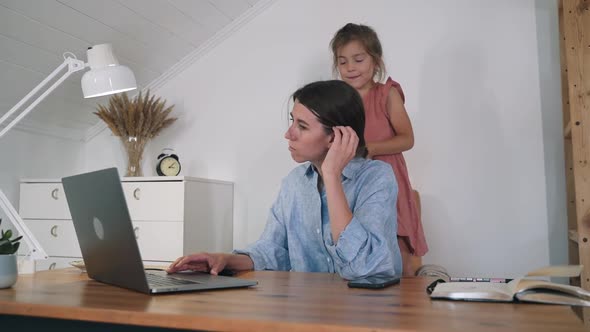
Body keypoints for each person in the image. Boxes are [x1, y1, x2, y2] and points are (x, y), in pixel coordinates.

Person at [167, 80, 402, 280]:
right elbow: (272, 251)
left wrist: (331, 176)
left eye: (302, 126)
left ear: (336, 136)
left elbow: (366, 268)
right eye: (292, 121)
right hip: (306, 313)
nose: (288, 134)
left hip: (366, 314)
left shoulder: (376, 177)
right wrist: (223, 259)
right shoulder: (294, 183)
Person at [330, 23, 428, 276]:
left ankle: (405, 306)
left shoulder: (387, 94)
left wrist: (370, 148)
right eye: (342, 62)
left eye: (358, 59)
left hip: (389, 181)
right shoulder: (338, 102)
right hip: (353, 184)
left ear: (375, 61)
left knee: (397, 243)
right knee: (359, 246)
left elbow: (407, 139)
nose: (350, 67)